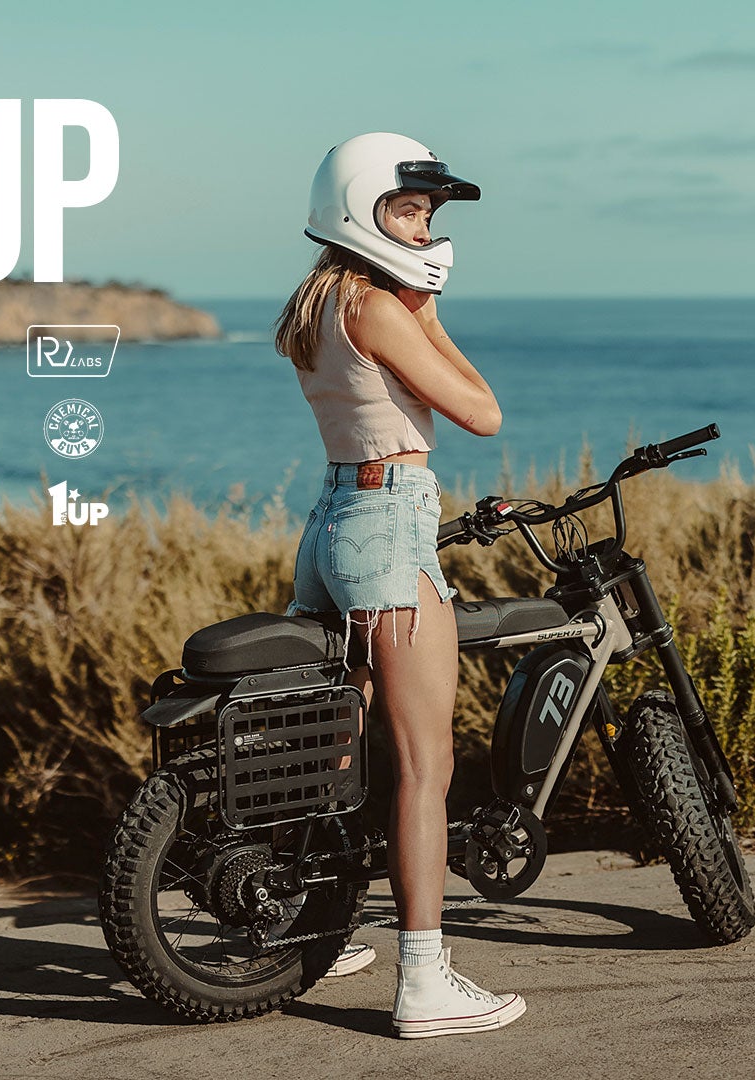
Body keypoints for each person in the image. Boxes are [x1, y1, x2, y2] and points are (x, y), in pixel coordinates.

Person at [276, 132, 524, 1039]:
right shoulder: (377, 309)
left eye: (427, 213)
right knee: (427, 763)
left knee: (339, 740)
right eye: (408, 210)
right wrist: (428, 315)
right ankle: (425, 980)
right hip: (387, 525)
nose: (423, 229)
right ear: (358, 209)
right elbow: (484, 414)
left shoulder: (314, 307)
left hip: (335, 521)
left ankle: (319, 921)